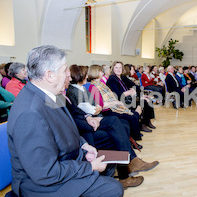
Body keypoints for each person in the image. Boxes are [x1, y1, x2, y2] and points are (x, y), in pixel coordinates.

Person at [7, 45, 123, 197]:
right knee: (113, 189)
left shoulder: (48, 95)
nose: (69, 75)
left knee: (108, 162)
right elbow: (45, 172)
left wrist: (84, 145)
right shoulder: (30, 113)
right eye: (64, 70)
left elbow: (67, 126)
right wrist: (90, 167)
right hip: (42, 186)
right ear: (49, 75)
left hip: (65, 160)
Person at [107, 61, 156, 131]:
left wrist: (141, 95)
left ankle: (147, 121)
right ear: (113, 69)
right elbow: (118, 95)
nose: (118, 69)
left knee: (148, 100)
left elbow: (135, 86)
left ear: (122, 69)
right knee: (143, 103)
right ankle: (142, 124)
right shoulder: (112, 79)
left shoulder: (123, 77)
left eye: (120, 67)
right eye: (116, 68)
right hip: (121, 102)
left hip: (130, 98)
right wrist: (129, 92)